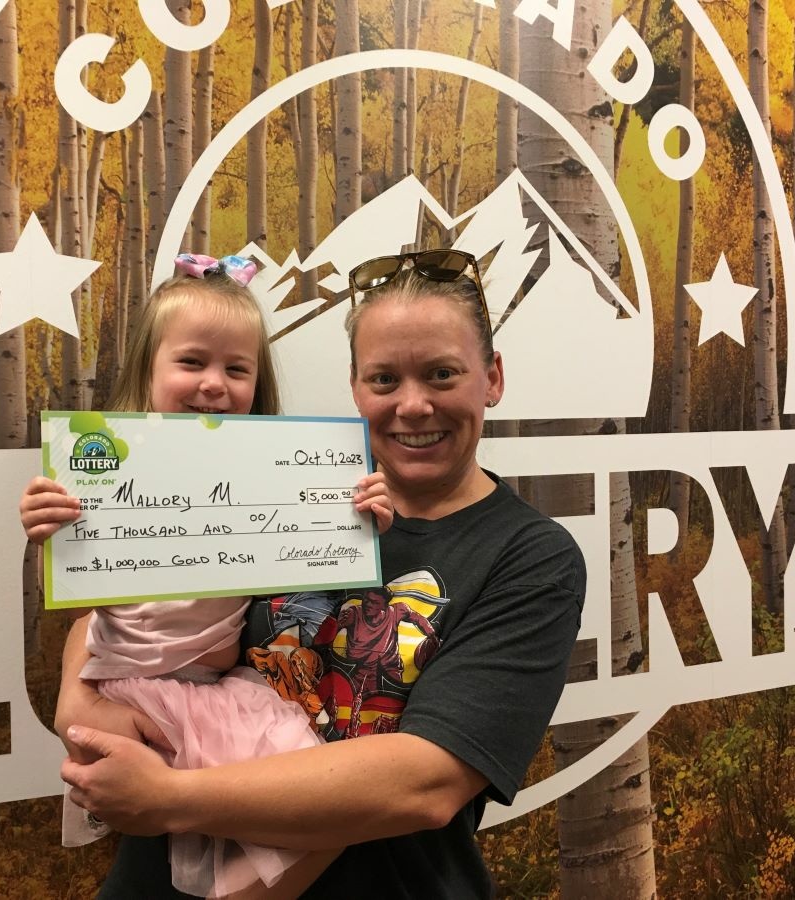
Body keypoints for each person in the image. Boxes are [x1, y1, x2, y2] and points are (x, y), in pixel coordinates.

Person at [58, 248, 588, 899]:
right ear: (356, 386)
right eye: (385, 379)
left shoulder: (531, 559)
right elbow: (127, 609)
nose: (413, 405)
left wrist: (168, 797)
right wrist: (81, 701)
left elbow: (424, 783)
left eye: (443, 374)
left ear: (493, 377)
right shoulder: (286, 486)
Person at [19, 253, 394, 899]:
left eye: (236, 369)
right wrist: (47, 524)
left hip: (216, 688)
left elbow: (326, 562)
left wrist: (363, 519)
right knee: (266, 804)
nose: (214, 384)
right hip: (140, 688)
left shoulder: (273, 471)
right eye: (192, 363)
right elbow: (78, 602)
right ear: (149, 369)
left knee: (300, 787)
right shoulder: (102, 470)